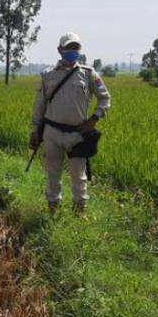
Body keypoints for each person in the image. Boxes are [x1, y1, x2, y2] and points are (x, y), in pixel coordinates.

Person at [29, 33, 111, 213]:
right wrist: (35, 130)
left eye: (75, 48)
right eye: (68, 48)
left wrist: (94, 119)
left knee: (78, 176)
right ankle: (53, 208)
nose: (72, 52)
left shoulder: (89, 74)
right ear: (60, 50)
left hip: (77, 134)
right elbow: (39, 105)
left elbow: (105, 99)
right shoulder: (47, 75)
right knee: (52, 173)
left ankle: (80, 211)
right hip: (52, 132)